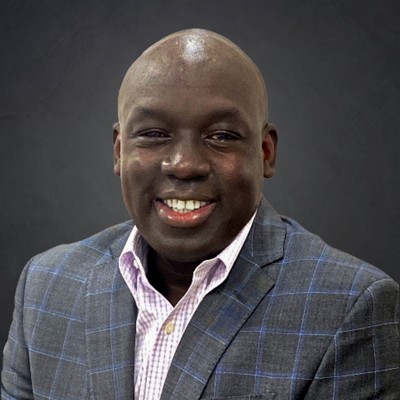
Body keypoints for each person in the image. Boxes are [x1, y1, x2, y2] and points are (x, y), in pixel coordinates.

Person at [1, 29, 399, 400]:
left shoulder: (351, 308)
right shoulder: (46, 286)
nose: (185, 165)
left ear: (265, 152)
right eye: (154, 134)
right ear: (120, 150)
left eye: (221, 136)